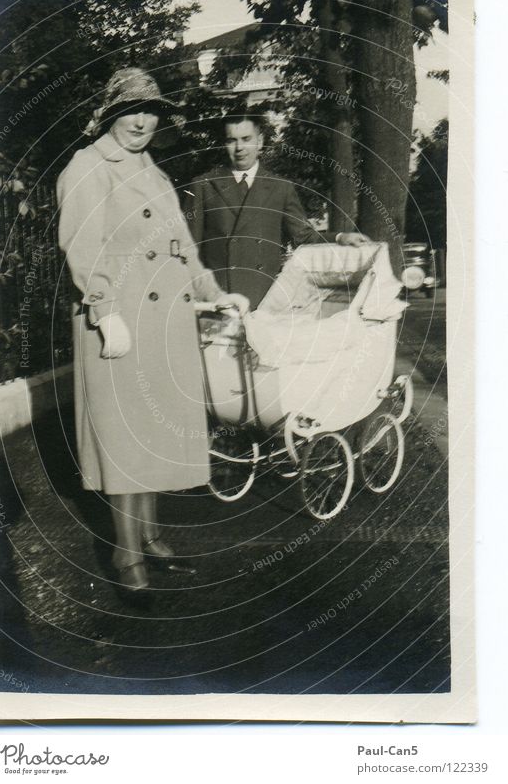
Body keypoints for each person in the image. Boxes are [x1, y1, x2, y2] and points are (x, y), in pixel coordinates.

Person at [57, 68, 248, 597]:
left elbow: (182, 248)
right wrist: (102, 307)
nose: (142, 121)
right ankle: (125, 557)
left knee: (152, 438)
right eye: (131, 111)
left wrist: (212, 290)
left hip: (163, 323)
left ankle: (149, 536)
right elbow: (81, 242)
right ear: (111, 115)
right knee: (126, 440)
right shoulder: (89, 166)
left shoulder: (154, 171)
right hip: (118, 324)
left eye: (150, 112)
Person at [182, 111, 370, 310]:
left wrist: (340, 238)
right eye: (231, 140)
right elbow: (188, 249)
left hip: (264, 297)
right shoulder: (203, 185)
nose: (240, 148)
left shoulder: (280, 187)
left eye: (246, 139)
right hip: (219, 298)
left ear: (260, 141)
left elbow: (304, 236)